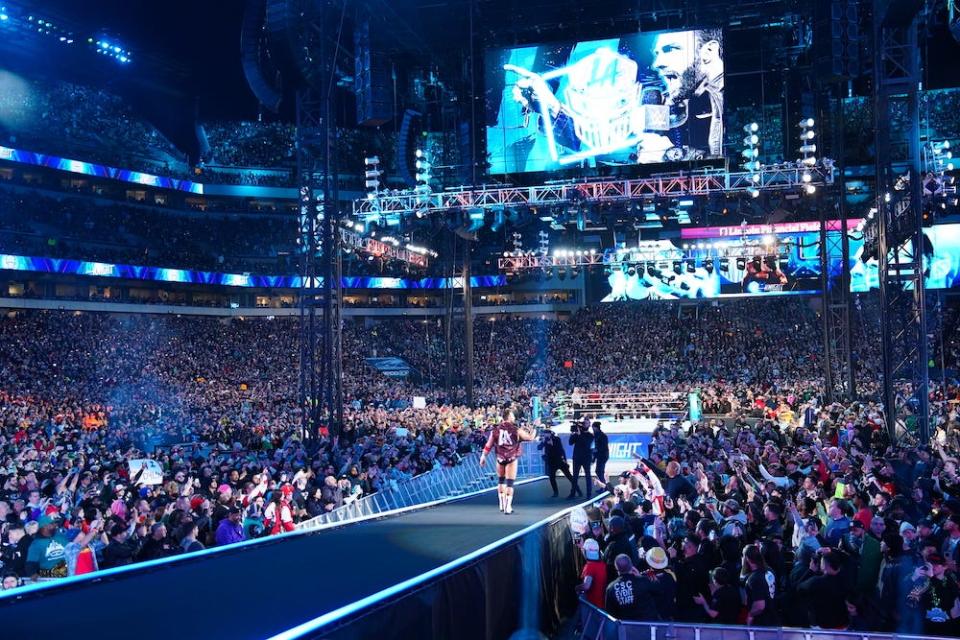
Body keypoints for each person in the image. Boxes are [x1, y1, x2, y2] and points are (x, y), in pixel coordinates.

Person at [480, 408, 536, 514]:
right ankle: (508, 506)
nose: (514, 417)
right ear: (509, 417)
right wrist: (535, 428)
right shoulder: (516, 429)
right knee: (510, 483)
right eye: (513, 416)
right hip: (511, 457)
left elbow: (489, 445)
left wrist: (483, 456)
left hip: (500, 457)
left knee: (501, 481)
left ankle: (501, 504)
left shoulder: (495, 430)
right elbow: (530, 438)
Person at [605, 553, 661, 621]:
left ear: (616, 568)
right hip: (647, 626)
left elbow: (610, 614)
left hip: (626, 627)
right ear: (632, 566)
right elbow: (659, 589)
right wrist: (641, 576)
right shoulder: (643, 581)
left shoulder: (611, 588)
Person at [538, 428, 575, 498]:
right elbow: (539, 448)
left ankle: (577, 489)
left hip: (559, 461)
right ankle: (555, 492)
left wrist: (564, 459)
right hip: (551, 462)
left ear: (550, 433)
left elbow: (560, 449)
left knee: (569, 476)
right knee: (552, 478)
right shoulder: (545, 440)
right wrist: (543, 442)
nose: (545, 435)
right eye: (545, 434)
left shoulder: (556, 439)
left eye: (546, 433)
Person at [576, 538, 608, 609]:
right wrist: (582, 548)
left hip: (592, 607)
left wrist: (575, 588)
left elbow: (586, 586)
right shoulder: (602, 564)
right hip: (602, 605)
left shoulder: (589, 567)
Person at [569, 421, 594, 500]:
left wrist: (580, 434)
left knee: (588, 476)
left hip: (586, 458)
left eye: (585, 423)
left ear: (589, 425)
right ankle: (572, 493)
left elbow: (586, 444)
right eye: (583, 423)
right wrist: (574, 434)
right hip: (577, 458)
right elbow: (570, 442)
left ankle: (589, 494)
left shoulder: (590, 435)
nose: (583, 425)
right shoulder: (577, 433)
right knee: (575, 476)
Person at [592, 422, 609, 486]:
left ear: (596, 428)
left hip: (603, 455)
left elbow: (603, 447)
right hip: (599, 455)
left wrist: (596, 450)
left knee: (600, 471)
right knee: (598, 471)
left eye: (593, 428)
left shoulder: (603, 436)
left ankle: (604, 486)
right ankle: (603, 486)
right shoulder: (595, 435)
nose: (593, 429)